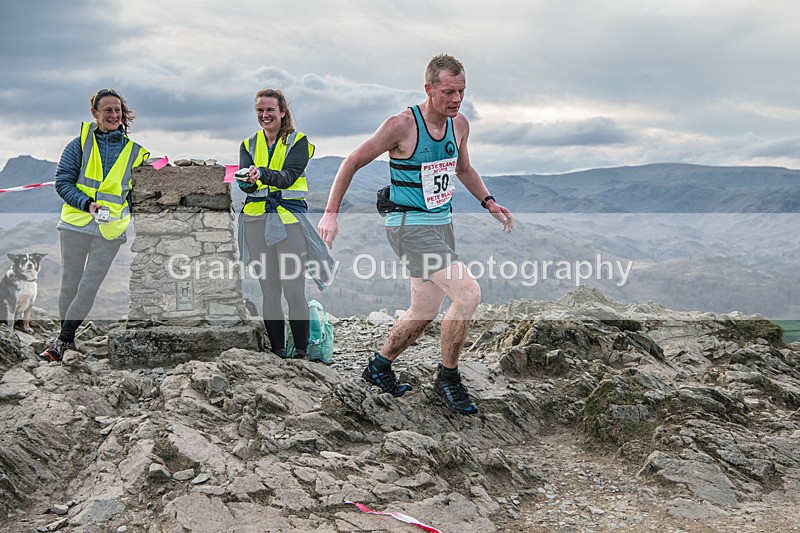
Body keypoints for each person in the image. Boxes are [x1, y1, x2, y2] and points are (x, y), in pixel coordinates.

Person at [317, 54, 514, 414]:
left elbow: (463, 168)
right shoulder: (402, 125)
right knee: (468, 294)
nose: (456, 99)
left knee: (424, 310)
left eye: (462, 91)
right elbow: (352, 161)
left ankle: (378, 367)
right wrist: (331, 214)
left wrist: (488, 202)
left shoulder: (459, 125)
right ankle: (448, 379)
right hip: (409, 226)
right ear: (429, 89)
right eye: (448, 92)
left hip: (441, 224)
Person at [41, 89, 149, 362]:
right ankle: (67, 340)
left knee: (89, 286)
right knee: (70, 285)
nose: (114, 115)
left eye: (117, 110)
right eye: (107, 110)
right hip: (75, 224)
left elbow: (138, 193)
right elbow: (62, 182)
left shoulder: (135, 153)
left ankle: (62, 341)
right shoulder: (78, 145)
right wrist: (87, 203)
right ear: (95, 113)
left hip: (110, 229)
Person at [237, 89, 318, 358]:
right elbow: (248, 187)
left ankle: (301, 352)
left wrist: (261, 173)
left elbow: (288, 177)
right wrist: (247, 181)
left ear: (282, 112)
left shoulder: (299, 142)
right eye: (260, 110)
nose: (265, 115)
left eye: (270, 109)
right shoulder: (248, 144)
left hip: (289, 221)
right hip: (256, 220)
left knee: (293, 289)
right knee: (269, 289)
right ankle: (278, 351)